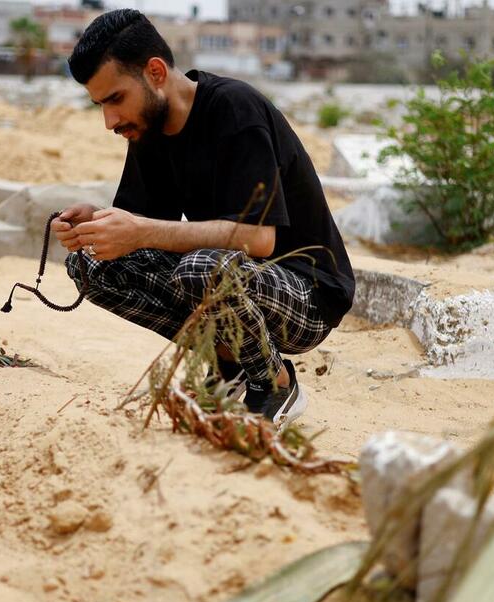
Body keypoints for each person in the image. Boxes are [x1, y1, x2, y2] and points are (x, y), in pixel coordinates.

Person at [51, 9, 354, 428]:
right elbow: (144, 231)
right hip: (226, 279)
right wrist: (97, 222)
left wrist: (140, 230)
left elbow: (260, 240)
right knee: (92, 265)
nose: (110, 121)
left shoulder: (234, 109)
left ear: (155, 72)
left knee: (202, 267)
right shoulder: (147, 128)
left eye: (116, 99)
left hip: (307, 293)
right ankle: (229, 365)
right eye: (100, 105)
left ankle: (275, 380)